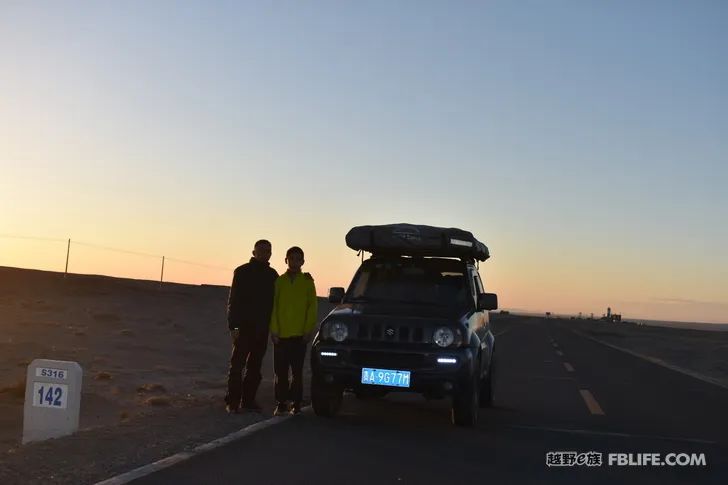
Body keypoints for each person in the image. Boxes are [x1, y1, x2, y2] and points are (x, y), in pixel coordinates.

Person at [225, 239, 279, 413]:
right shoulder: (241, 272)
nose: (265, 253)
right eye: (261, 250)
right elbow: (233, 301)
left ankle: (248, 401)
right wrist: (233, 327)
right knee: (237, 366)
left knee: (255, 367)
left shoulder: (272, 275)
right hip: (243, 328)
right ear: (254, 252)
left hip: (261, 329)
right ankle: (232, 401)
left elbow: (277, 302)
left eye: (268, 251)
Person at [270, 246, 318, 416]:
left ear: (303, 261)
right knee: (281, 372)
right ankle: (281, 402)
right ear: (286, 260)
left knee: (297, 372)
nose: (294, 262)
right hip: (281, 336)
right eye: (291, 258)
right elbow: (273, 307)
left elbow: (312, 307)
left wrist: (308, 331)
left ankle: (296, 403)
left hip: (299, 336)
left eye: (298, 259)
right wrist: (274, 331)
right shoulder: (279, 282)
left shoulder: (307, 282)